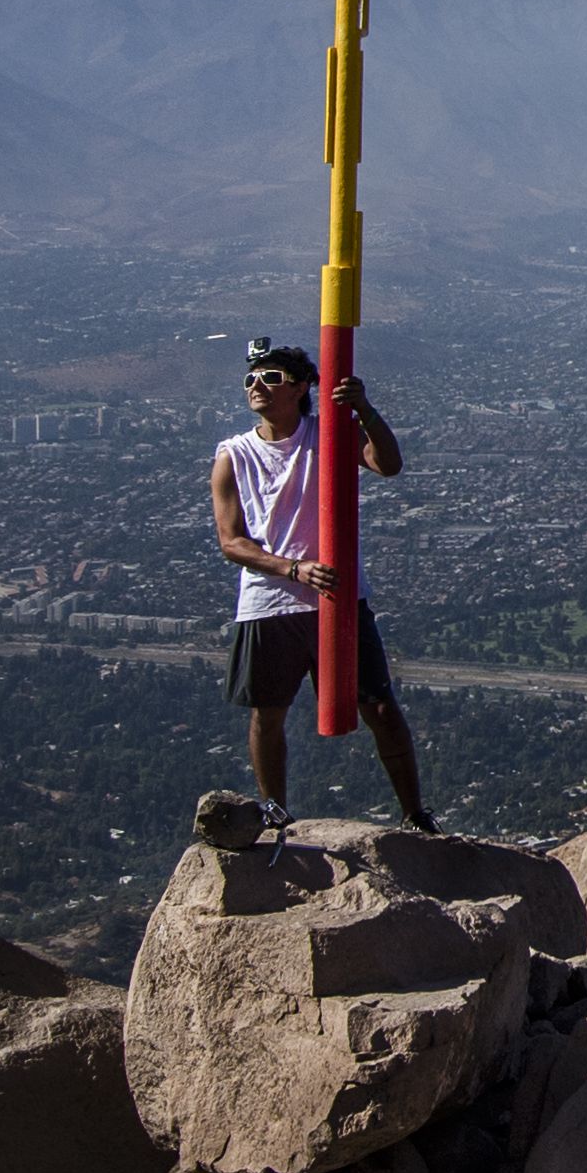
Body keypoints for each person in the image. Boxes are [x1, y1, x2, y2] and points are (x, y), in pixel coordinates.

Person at [211, 340, 434, 831]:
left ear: (301, 387)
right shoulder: (234, 454)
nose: (257, 388)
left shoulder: (329, 433)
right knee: (267, 713)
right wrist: (292, 569)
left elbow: (388, 464)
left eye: (270, 378)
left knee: (377, 705)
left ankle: (415, 814)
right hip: (270, 602)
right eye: (251, 380)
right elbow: (231, 542)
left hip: (339, 596)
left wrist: (364, 410)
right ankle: (275, 813)